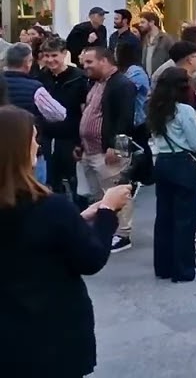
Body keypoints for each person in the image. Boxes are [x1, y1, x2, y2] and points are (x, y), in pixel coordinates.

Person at [0, 104, 131, 377]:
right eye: (33, 138)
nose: (37, 145)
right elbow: (90, 257)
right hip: (51, 334)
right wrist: (107, 211)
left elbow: (30, 240)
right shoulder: (50, 207)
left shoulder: (50, 211)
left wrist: (79, 219)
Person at [148, 67, 196, 282]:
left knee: (164, 217)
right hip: (183, 163)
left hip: (163, 163)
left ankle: (163, 266)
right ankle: (184, 270)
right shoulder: (183, 110)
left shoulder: (155, 108)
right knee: (185, 219)